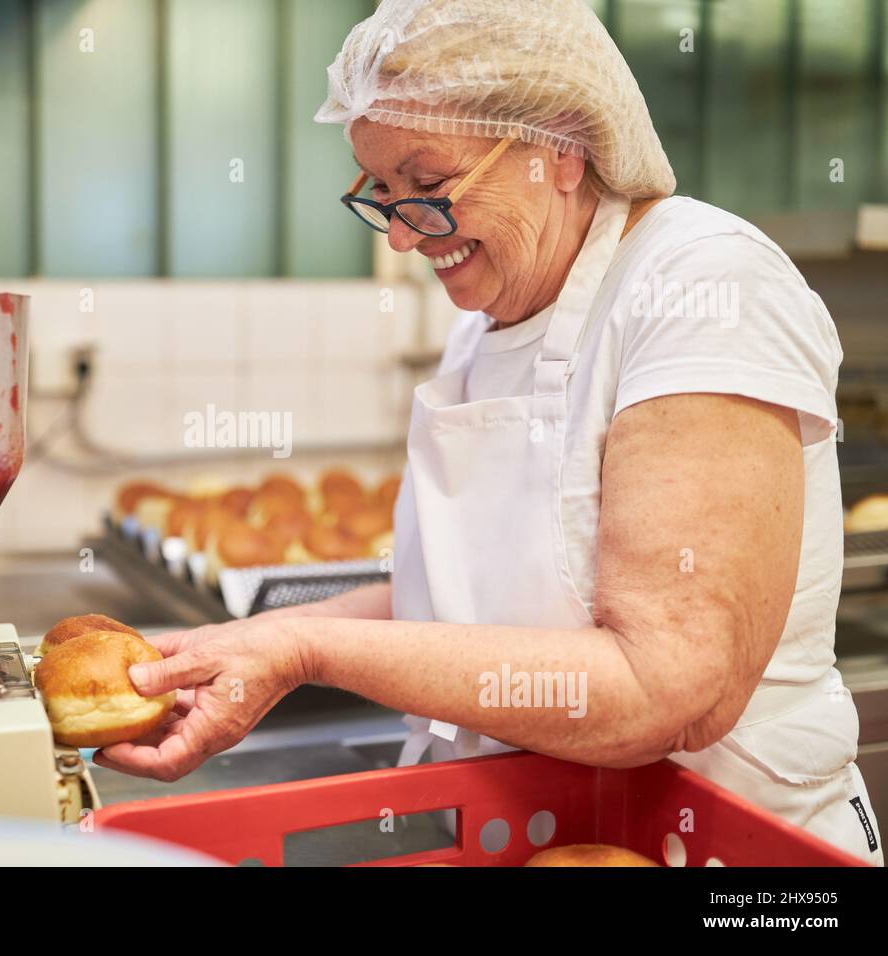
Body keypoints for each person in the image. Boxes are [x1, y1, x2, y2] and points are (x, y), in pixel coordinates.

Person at [94, 0, 883, 864]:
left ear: (562, 148)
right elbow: (454, 596)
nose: (399, 235)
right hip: (528, 830)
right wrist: (242, 650)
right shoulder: (493, 316)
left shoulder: (704, 287)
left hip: (725, 845)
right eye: (380, 192)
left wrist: (306, 645)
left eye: (427, 186)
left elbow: (671, 691)